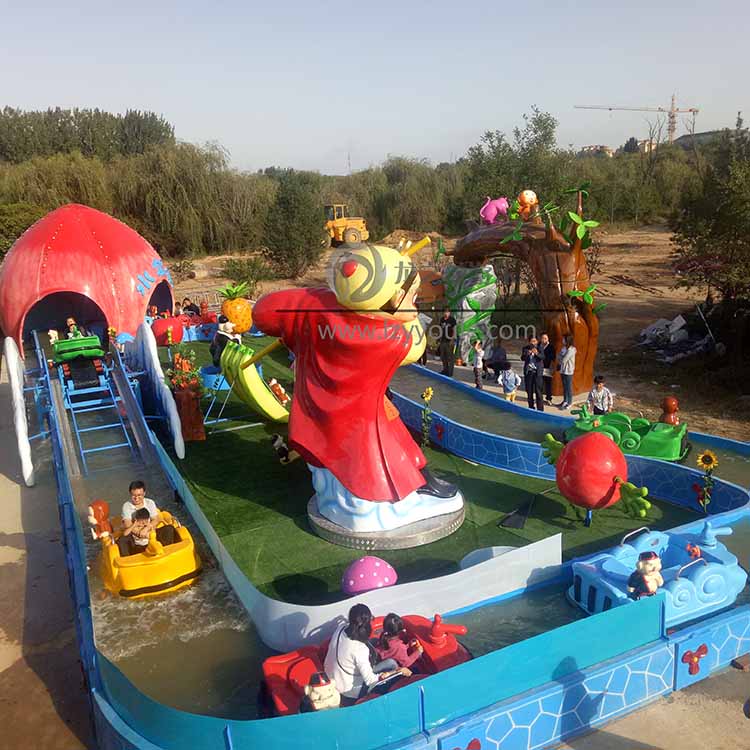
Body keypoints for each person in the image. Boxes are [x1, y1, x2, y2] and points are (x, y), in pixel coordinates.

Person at [324, 604, 410, 705]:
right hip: (348, 692)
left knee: (373, 641)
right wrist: (397, 671)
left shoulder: (341, 628)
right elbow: (371, 681)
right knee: (391, 664)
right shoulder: (360, 649)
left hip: (333, 677)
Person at [117, 480, 177, 557]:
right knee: (122, 540)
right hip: (135, 537)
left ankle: (168, 553)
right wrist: (139, 533)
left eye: (139, 495)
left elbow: (155, 519)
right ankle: (128, 559)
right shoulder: (127, 506)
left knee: (169, 529)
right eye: (134, 495)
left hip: (149, 533)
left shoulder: (150, 503)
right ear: (130, 494)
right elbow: (127, 524)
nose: (136, 498)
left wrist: (146, 529)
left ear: (144, 493)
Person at [521, 335, 544, 411]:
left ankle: (540, 409)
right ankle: (531, 407)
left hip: (537, 373)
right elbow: (522, 358)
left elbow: (543, 357)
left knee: (538, 391)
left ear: (537, 341)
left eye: (534, 341)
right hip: (529, 372)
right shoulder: (525, 348)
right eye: (531, 341)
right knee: (529, 391)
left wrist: (537, 353)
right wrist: (527, 354)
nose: (533, 343)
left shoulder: (540, 348)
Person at [558, 334, 576, 410]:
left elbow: (564, 359)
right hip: (562, 370)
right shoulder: (564, 348)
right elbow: (558, 356)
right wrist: (560, 357)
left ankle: (570, 402)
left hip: (568, 371)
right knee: (564, 386)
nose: (563, 341)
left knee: (569, 387)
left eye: (564, 339)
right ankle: (565, 401)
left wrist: (561, 357)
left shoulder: (572, 349)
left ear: (567, 340)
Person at [538, 333, 556, 405]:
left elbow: (553, 357)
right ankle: (540, 398)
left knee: (548, 384)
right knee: (540, 384)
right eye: (542, 338)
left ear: (548, 339)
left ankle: (549, 398)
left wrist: (544, 358)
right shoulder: (538, 346)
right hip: (539, 367)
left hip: (547, 368)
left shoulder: (551, 347)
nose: (544, 340)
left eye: (545, 338)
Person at [438, 309, 456, 377]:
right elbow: (440, 329)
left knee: (449, 357)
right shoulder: (442, 319)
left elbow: (454, 330)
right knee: (443, 356)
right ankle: (445, 370)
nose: (446, 313)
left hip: (449, 341)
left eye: (447, 312)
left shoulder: (452, 320)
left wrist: (452, 339)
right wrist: (439, 338)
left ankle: (450, 372)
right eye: (445, 312)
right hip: (443, 340)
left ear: (449, 313)